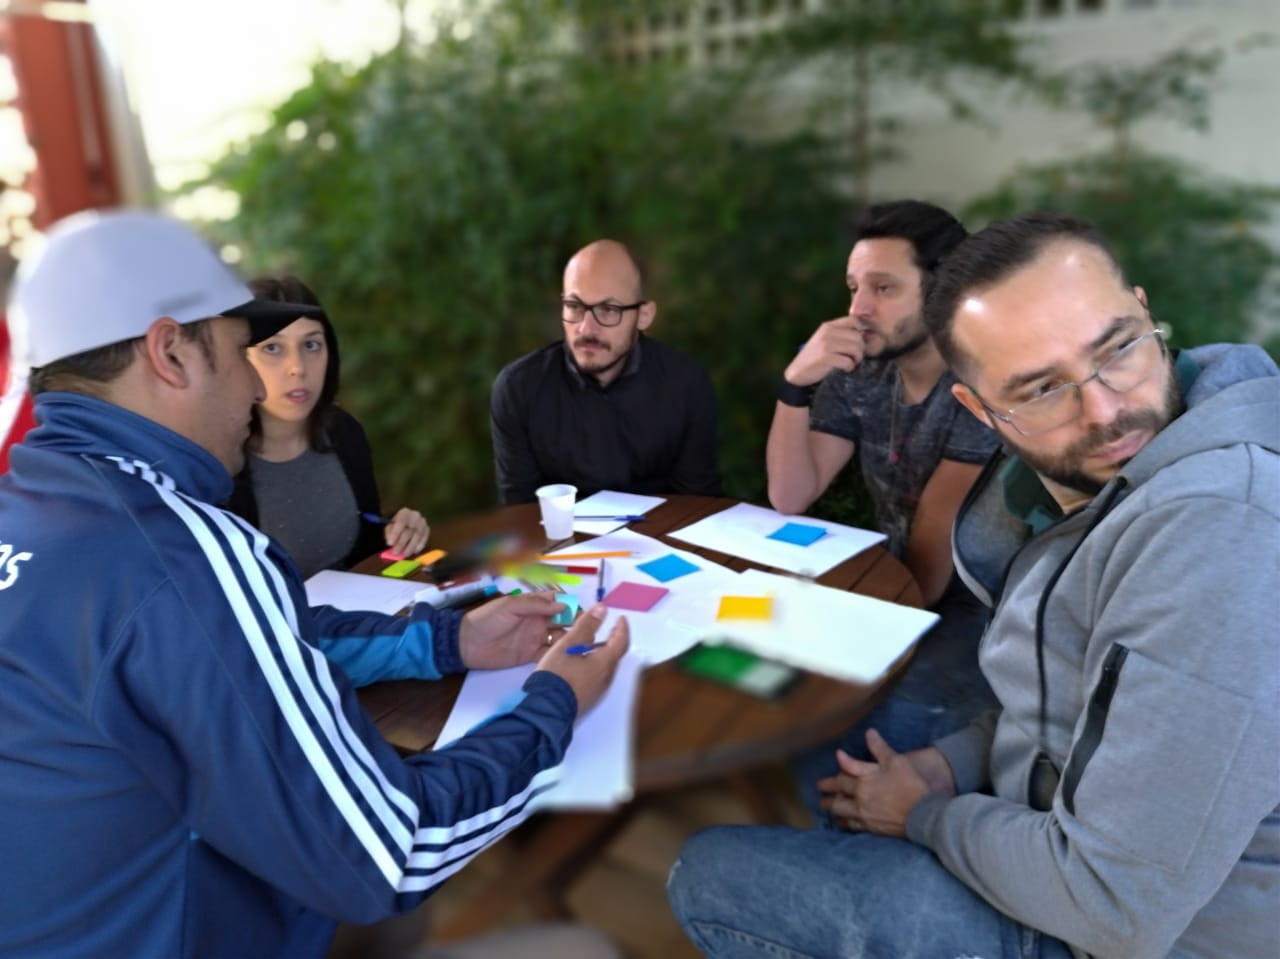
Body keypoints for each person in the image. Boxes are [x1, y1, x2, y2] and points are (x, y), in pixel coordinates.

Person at [0, 208, 630, 959]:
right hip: (187, 925)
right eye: (244, 350)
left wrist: (446, 636)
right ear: (170, 352)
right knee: (583, 949)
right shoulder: (184, 550)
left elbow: (245, 641)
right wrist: (554, 704)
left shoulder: (30, 511)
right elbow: (395, 850)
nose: (257, 384)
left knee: (392, 923)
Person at [668, 211, 1280, 958]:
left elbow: (1121, 908)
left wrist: (925, 814)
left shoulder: (1215, 532)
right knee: (840, 760)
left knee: (708, 870)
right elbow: (1086, 701)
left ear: (1144, 311)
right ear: (983, 409)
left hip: (1138, 931)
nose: (1106, 407)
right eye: (1040, 389)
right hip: (1066, 818)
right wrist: (950, 764)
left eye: (1118, 347)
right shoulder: (891, 397)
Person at [767, 200, 999, 812]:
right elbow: (791, 493)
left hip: (979, 616)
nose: (858, 309)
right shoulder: (861, 370)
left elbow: (929, 566)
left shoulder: (977, 387)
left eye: (884, 287)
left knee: (840, 724)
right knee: (763, 674)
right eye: (853, 287)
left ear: (944, 292)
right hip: (895, 591)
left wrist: (842, 634)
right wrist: (796, 383)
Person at [490, 239, 722, 504]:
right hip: (558, 542)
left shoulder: (686, 384)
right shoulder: (519, 389)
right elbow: (520, 513)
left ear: (644, 316)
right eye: (575, 307)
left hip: (663, 540)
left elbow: (698, 506)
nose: (587, 329)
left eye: (608, 310)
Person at [225, 275, 429, 576]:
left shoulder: (342, 432)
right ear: (240, 357)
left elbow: (366, 550)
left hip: (360, 619)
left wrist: (398, 528)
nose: (298, 367)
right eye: (273, 348)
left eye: (311, 344)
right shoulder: (219, 464)